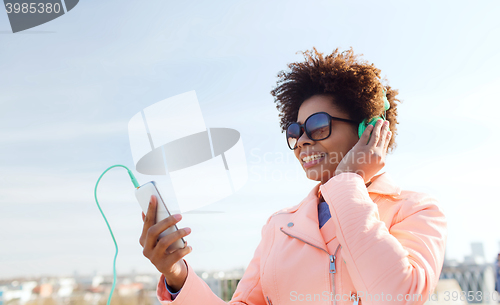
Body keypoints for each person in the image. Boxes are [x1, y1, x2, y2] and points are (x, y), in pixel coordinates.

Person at [139, 47, 448, 305]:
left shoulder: (415, 209)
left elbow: (395, 295)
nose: (301, 140)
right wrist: (178, 276)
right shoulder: (278, 227)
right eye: (295, 132)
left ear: (369, 129)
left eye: (317, 126)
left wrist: (347, 180)